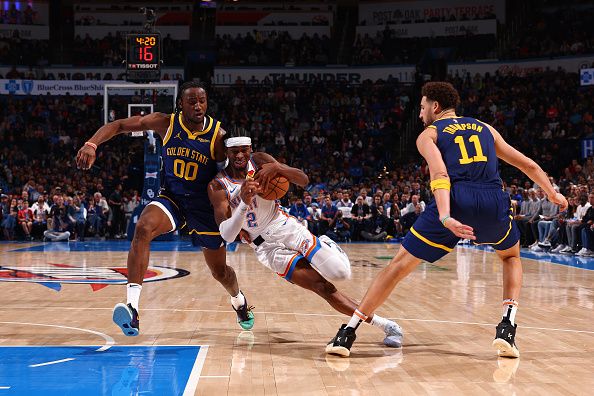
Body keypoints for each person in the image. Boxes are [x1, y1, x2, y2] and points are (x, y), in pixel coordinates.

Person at [326, 81, 567, 358]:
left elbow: (440, 175)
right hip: (493, 201)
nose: (419, 114)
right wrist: (552, 194)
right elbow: (528, 164)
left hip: (456, 200)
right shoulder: (485, 128)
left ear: (435, 107)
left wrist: (445, 216)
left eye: (422, 107)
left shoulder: (429, 134)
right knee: (511, 257)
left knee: (397, 267)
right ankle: (507, 327)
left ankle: (347, 333)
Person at [75, 81, 254, 336]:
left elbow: (240, 163)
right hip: (173, 199)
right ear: (180, 104)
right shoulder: (166, 123)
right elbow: (119, 125)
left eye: (202, 100)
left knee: (220, 272)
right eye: (191, 101)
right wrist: (92, 144)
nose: (198, 105)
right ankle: (132, 308)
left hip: (205, 206)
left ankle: (239, 301)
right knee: (143, 228)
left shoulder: (218, 135)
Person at [208, 130, 403, 347]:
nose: (239, 156)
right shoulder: (218, 185)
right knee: (322, 288)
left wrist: (279, 167)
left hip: (286, 227)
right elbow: (227, 234)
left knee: (340, 273)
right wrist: (244, 202)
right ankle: (386, 325)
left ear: (250, 150)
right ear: (227, 152)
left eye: (244, 151)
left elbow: (303, 180)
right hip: (267, 249)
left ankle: (328, 244)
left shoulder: (261, 161)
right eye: (234, 152)